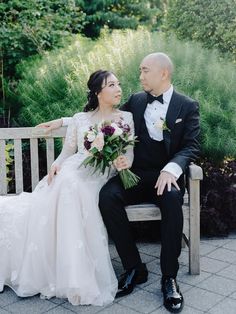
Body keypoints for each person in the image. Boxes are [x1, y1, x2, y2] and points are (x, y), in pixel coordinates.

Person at [38, 52, 200, 313]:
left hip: (164, 174)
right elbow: (100, 115)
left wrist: (172, 169)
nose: (140, 76)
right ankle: (134, 268)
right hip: (131, 174)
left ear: (163, 73)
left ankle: (169, 278)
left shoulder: (187, 105)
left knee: (171, 198)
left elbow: (191, 146)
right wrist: (65, 122)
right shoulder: (136, 101)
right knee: (106, 197)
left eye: (145, 70)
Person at [0, 70, 136, 306]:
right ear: (98, 92)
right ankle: (61, 269)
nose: (118, 89)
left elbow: (129, 153)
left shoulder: (126, 118)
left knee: (72, 186)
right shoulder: (81, 118)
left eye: (118, 84)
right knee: (66, 182)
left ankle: (74, 271)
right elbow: (69, 150)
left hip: (100, 175)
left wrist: (125, 163)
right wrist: (57, 163)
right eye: (111, 85)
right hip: (76, 168)